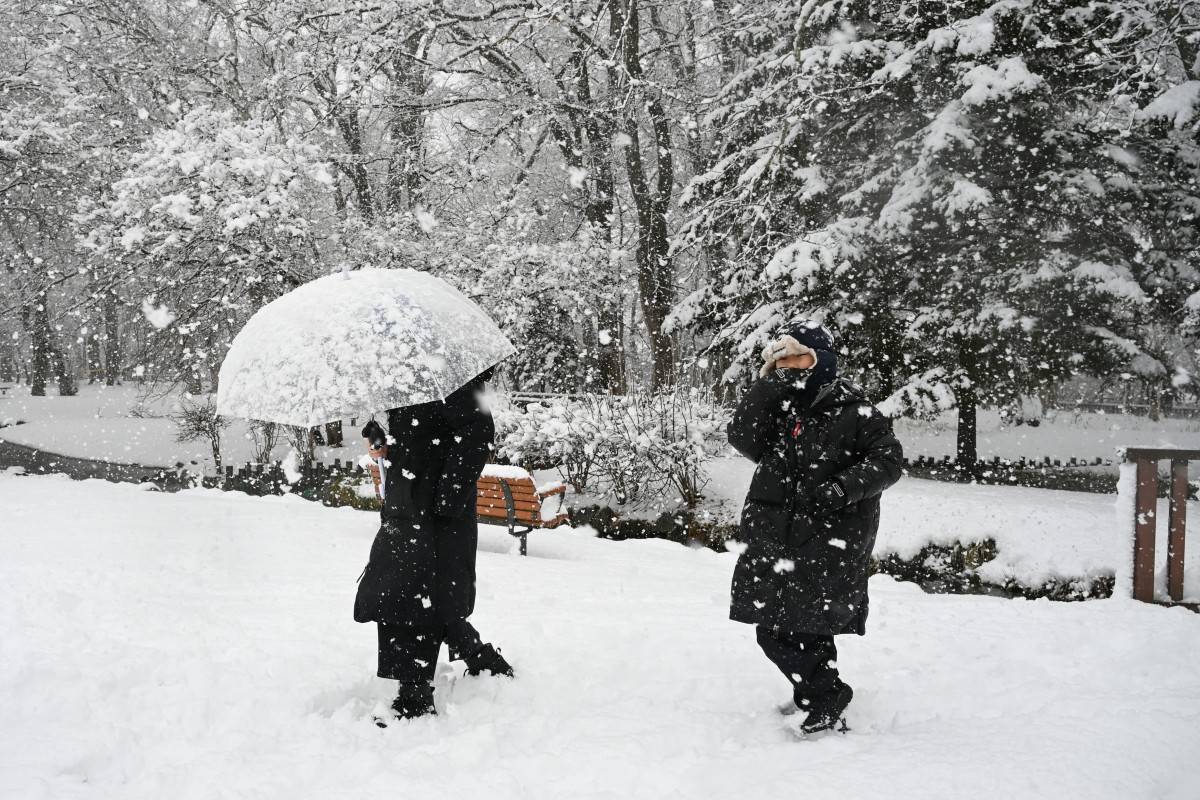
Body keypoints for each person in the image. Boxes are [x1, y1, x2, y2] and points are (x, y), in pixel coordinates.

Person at [727, 321, 902, 735]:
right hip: (776, 533)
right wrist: (767, 386)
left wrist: (841, 489)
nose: (790, 367)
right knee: (783, 625)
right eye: (781, 359)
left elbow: (888, 462)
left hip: (827, 536)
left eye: (798, 357)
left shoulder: (856, 411)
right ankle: (816, 691)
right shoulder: (781, 407)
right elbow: (742, 438)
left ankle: (827, 695)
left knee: (795, 626)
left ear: (821, 360)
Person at [354, 368, 513, 725]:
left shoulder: (455, 378)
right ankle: (479, 657)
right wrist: (384, 442)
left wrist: (444, 502)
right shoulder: (407, 378)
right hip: (405, 505)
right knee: (404, 592)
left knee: (419, 596)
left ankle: (413, 697)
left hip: (436, 514)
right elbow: (419, 437)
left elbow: (476, 438)